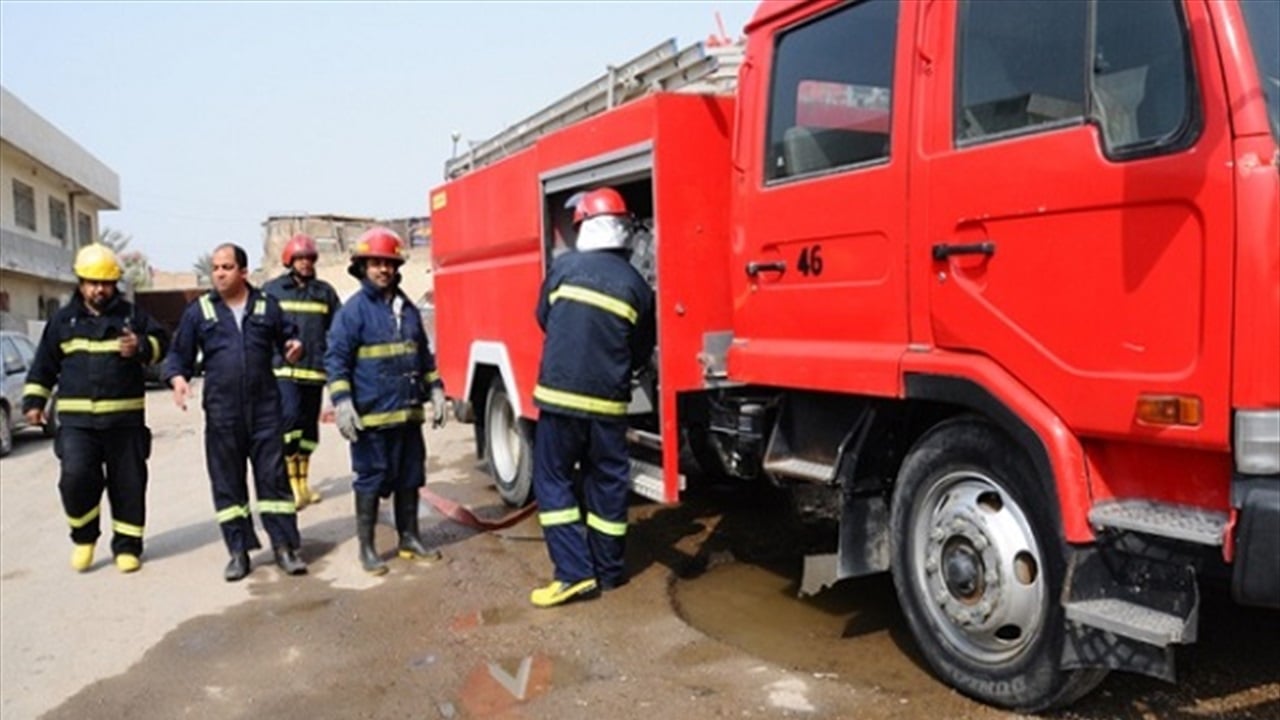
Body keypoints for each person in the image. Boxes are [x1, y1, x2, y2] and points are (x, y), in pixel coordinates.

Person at [528, 187, 656, 607]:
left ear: (584, 227)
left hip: (560, 400)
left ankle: (573, 574)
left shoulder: (565, 269)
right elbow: (641, 350)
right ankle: (609, 571)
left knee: (553, 481)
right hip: (608, 407)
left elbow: (544, 318)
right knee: (608, 486)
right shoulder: (638, 286)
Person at [164, 243, 308, 581]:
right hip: (223, 413)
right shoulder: (200, 311)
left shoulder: (266, 306)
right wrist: (178, 379)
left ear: (243, 271)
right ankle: (239, 552)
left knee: (274, 481)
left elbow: (290, 338)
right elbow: (178, 354)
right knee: (228, 484)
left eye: (227, 267)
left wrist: (294, 347)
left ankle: (285, 548)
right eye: (216, 267)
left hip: (265, 411)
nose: (219, 273)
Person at [21, 244, 169, 574]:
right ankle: (84, 537)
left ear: (115, 283)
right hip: (77, 424)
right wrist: (34, 402)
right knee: (75, 479)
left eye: (105, 283)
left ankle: (128, 546)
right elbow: (44, 364)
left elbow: (165, 343)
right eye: (91, 282)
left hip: (125, 422)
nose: (99, 289)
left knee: (128, 484)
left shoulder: (131, 316)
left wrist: (142, 346)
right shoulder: (62, 321)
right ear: (80, 282)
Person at [325, 227, 446, 576]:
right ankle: (367, 548)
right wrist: (343, 402)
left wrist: (435, 390)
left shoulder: (407, 309)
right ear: (363, 267)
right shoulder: (354, 312)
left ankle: (410, 538)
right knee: (371, 480)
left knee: (410, 477)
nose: (383, 270)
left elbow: (422, 356)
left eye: (389, 263)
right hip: (372, 419)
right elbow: (336, 360)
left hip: (408, 416)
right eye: (376, 263)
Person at [264, 233, 341, 509]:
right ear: (289, 261)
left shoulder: (325, 292)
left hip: (314, 372)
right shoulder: (273, 291)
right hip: (283, 371)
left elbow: (337, 331)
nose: (306, 263)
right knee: (290, 419)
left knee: (309, 430)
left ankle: (304, 484)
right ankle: (290, 484)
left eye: (309, 259)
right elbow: (263, 328)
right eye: (300, 259)